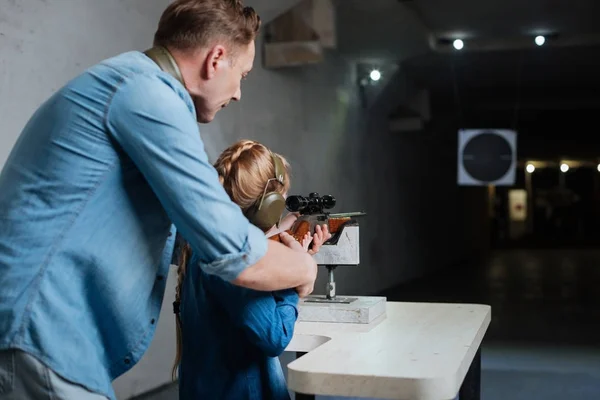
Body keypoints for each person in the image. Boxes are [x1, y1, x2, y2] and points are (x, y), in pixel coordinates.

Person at [0, 1, 317, 399]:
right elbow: (231, 250)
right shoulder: (148, 95)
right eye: (242, 75)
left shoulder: (130, 84)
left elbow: (187, 238)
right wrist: (302, 268)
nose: (237, 93)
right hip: (41, 331)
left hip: (41, 333)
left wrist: (275, 237)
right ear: (216, 58)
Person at [171, 140, 331, 399]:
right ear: (268, 207)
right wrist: (295, 279)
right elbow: (274, 337)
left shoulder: (203, 242)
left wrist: (288, 256)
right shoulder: (237, 264)